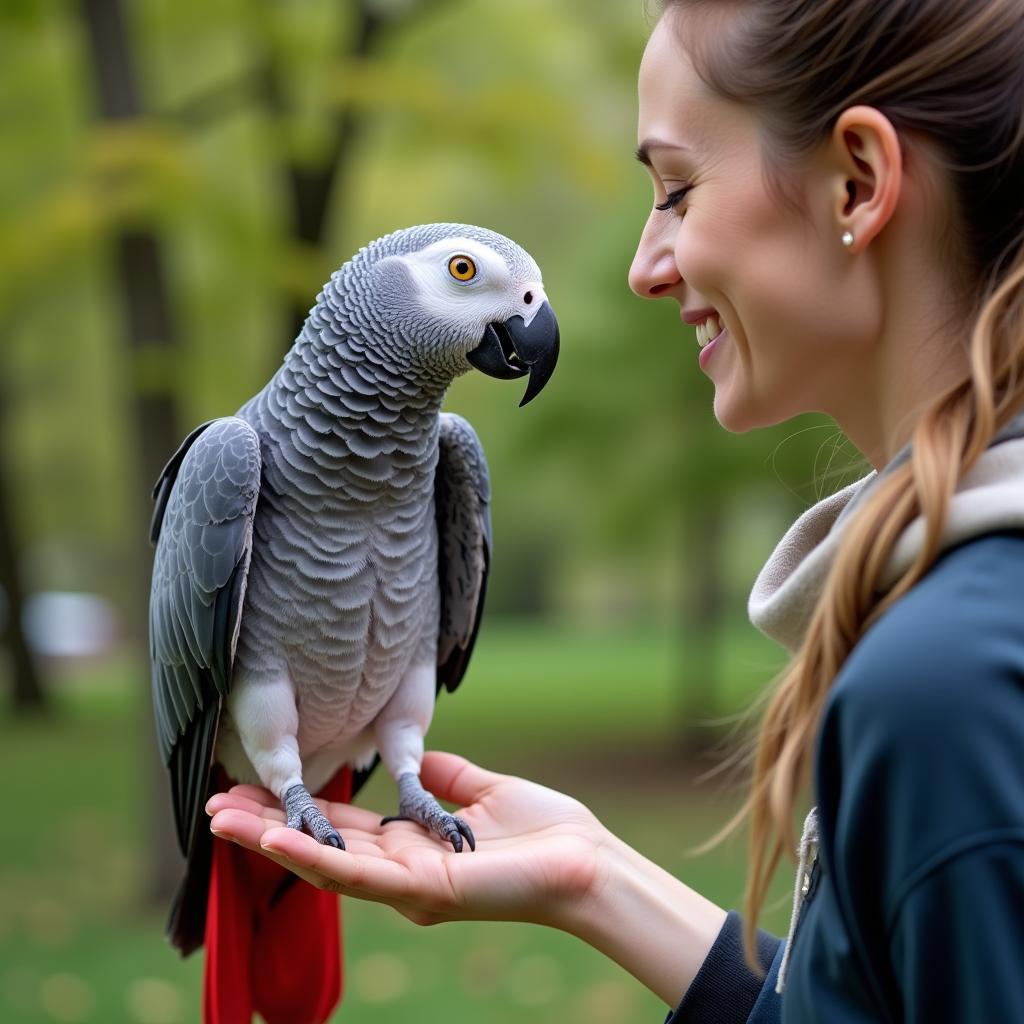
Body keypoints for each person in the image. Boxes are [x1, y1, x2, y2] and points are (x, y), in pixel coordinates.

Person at [207, 0, 1024, 1019]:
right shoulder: (951, 625)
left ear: (856, 181)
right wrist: (594, 876)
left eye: (676, 190)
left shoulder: (945, 683)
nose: (642, 268)